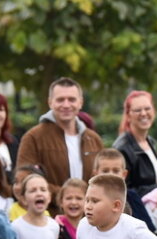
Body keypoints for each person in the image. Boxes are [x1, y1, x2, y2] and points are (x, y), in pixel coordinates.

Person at [17, 77, 104, 209]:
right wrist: (67, 196)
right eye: (60, 100)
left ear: (80, 102)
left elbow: (104, 178)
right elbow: (24, 178)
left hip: (90, 219)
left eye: (72, 99)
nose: (66, 105)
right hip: (50, 218)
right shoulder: (33, 137)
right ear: (50, 102)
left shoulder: (94, 139)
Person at [92, 149, 156, 233]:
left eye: (116, 171)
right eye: (105, 171)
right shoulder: (90, 200)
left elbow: (148, 230)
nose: (111, 175)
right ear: (95, 174)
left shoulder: (132, 197)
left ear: (124, 174)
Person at [113, 90, 157, 196]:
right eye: (137, 110)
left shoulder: (150, 142)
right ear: (128, 116)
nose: (143, 113)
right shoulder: (122, 148)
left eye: (147, 108)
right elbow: (123, 191)